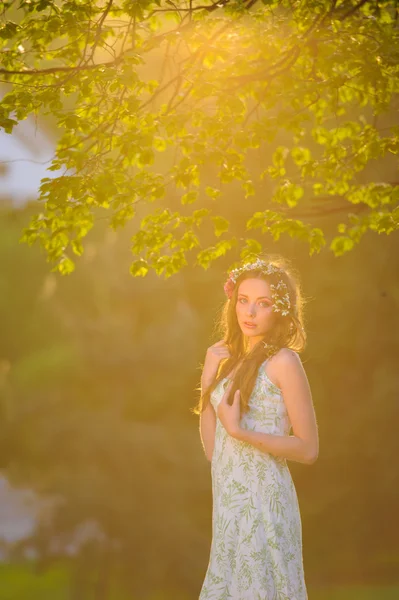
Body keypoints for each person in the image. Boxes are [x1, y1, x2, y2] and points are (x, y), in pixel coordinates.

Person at [195, 255, 319, 600]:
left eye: (262, 304)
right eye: (244, 301)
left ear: (278, 309)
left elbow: (308, 449)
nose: (249, 313)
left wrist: (242, 432)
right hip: (229, 504)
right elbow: (211, 450)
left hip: (264, 503)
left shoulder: (283, 361)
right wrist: (209, 373)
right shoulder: (228, 361)